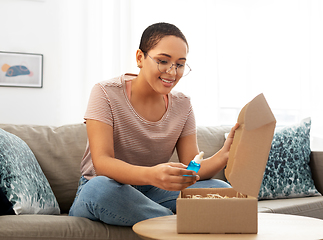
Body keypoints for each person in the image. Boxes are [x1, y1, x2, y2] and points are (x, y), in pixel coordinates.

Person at [69, 22, 238, 226]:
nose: (172, 72)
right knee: (100, 189)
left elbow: (191, 169)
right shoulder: (105, 92)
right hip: (107, 189)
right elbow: (102, 163)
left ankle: (160, 220)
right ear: (140, 58)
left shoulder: (183, 105)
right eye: (163, 61)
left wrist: (224, 155)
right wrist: (152, 174)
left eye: (180, 64)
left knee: (219, 189)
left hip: (153, 193)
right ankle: (178, 222)